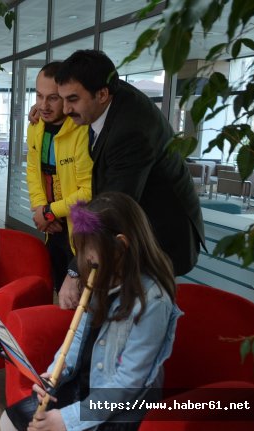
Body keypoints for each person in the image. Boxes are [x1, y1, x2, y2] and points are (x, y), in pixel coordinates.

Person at [1, 192, 182, 431]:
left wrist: (67, 420)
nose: (84, 260)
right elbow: (77, 337)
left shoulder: (154, 301)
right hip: (83, 384)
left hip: (120, 408)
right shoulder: (103, 274)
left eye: (90, 252)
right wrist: (54, 373)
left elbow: (127, 384)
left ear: (121, 246)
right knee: (9, 420)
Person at [54, 49, 204, 309]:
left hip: (160, 234)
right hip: (133, 224)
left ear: (102, 94)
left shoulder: (131, 130)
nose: (66, 109)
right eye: (63, 99)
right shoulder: (105, 93)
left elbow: (114, 204)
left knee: (137, 314)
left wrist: (75, 270)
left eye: (73, 100)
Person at [26, 61, 92, 292]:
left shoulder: (83, 130)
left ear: (66, 96)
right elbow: (33, 171)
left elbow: (88, 191)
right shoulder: (35, 126)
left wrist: (49, 212)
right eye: (39, 96)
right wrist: (40, 208)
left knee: (81, 298)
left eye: (53, 98)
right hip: (51, 227)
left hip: (81, 233)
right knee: (57, 291)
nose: (43, 105)